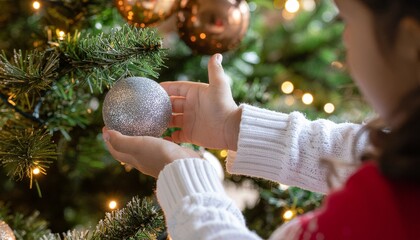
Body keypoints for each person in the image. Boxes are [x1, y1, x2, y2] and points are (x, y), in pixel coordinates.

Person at [102, 0, 420, 239]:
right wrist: (234, 126)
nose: (345, 39)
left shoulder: (390, 208)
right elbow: (362, 150)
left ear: (410, 40)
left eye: (346, 19)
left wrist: (188, 180)